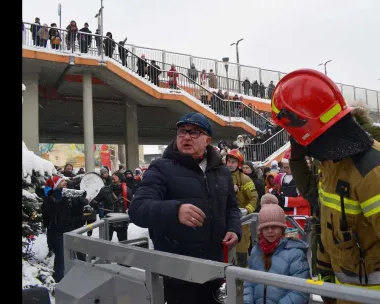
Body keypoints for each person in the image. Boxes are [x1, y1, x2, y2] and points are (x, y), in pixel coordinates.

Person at [272, 69, 380, 303]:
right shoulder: (330, 165)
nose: (290, 137)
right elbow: (329, 229)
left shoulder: (376, 172)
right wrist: (327, 280)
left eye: (290, 131)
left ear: (303, 127)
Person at [129, 112, 242, 304]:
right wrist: (175, 211)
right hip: (177, 274)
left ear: (207, 140)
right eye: (182, 132)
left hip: (214, 268)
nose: (186, 137)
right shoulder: (161, 168)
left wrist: (234, 229)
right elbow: (138, 209)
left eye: (194, 132)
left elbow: (231, 207)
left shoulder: (222, 171)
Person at [243, 204, 310, 304]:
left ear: (282, 228)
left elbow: (300, 291)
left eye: (274, 226)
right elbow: (249, 282)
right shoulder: (256, 251)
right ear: (261, 230)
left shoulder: (295, 253)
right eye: (266, 227)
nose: (270, 231)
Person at [41, 175, 90, 282]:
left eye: (64, 180)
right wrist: (55, 201)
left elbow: (75, 214)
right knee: (61, 257)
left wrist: (81, 203)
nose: (65, 182)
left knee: (81, 252)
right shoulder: (50, 198)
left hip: (70, 229)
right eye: (62, 181)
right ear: (55, 184)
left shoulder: (68, 195)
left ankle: (87, 274)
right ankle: (59, 281)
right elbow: (47, 216)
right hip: (57, 232)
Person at [225, 149, 257, 277]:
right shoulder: (222, 177)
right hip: (226, 220)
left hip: (242, 222)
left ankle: (244, 279)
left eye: (233, 162)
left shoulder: (246, 179)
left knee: (241, 250)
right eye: (229, 161)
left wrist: (246, 210)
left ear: (238, 164)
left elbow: (254, 198)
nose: (230, 164)